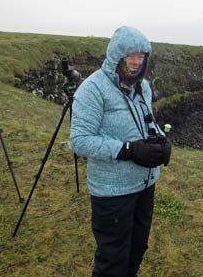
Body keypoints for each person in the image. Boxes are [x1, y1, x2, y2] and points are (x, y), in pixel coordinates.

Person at [70, 26, 171, 277]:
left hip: (145, 183)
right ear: (117, 55)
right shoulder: (92, 89)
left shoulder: (143, 87)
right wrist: (128, 150)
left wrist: (160, 140)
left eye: (141, 56)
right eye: (131, 56)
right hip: (113, 193)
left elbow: (147, 122)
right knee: (113, 259)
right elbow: (80, 141)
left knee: (137, 249)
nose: (137, 62)